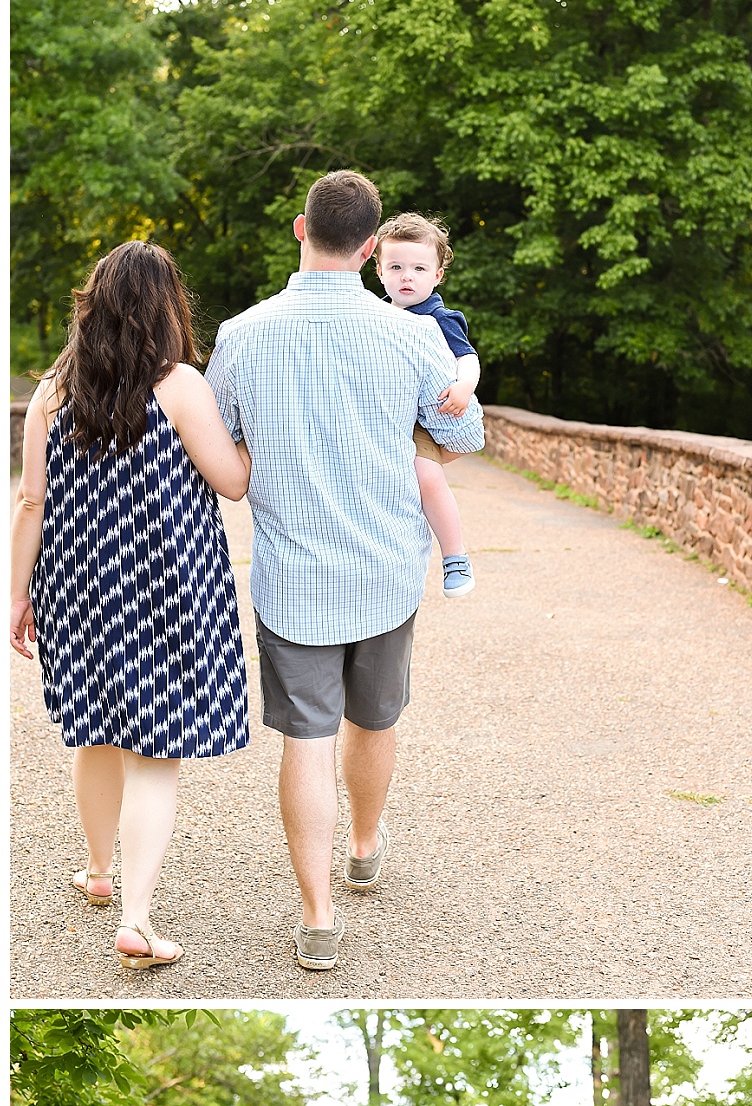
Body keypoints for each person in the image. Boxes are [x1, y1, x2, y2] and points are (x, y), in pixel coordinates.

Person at [205, 169, 484, 973]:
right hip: (387, 570)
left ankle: (318, 916)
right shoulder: (412, 336)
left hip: (294, 578)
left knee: (307, 738)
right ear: (370, 248)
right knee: (377, 718)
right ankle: (363, 844)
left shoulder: (244, 333)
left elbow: (217, 444)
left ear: (301, 229)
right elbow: (462, 440)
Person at [10, 240, 252, 970]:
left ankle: (98, 871)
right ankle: (138, 922)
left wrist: (15, 594)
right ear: (165, 307)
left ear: (95, 305)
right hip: (167, 587)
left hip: (79, 587)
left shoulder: (53, 392)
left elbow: (30, 503)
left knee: (94, 732)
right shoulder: (179, 386)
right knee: (155, 753)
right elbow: (232, 482)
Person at [374, 213, 480, 596]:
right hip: (386, 411)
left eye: (419, 268)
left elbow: (467, 358)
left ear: (436, 276)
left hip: (427, 415)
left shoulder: (438, 317)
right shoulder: (375, 315)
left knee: (426, 476)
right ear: (379, 269)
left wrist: (464, 387)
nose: (407, 276)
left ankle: (455, 556)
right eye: (396, 267)